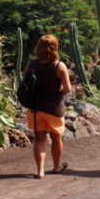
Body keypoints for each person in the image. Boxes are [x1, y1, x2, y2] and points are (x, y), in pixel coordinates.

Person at [23, 35, 72, 179]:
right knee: (56, 138)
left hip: (35, 107)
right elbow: (67, 89)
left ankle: (40, 171)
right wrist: (59, 89)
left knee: (39, 140)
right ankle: (57, 166)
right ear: (55, 47)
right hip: (54, 108)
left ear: (38, 47)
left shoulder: (31, 65)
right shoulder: (59, 65)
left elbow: (24, 84)